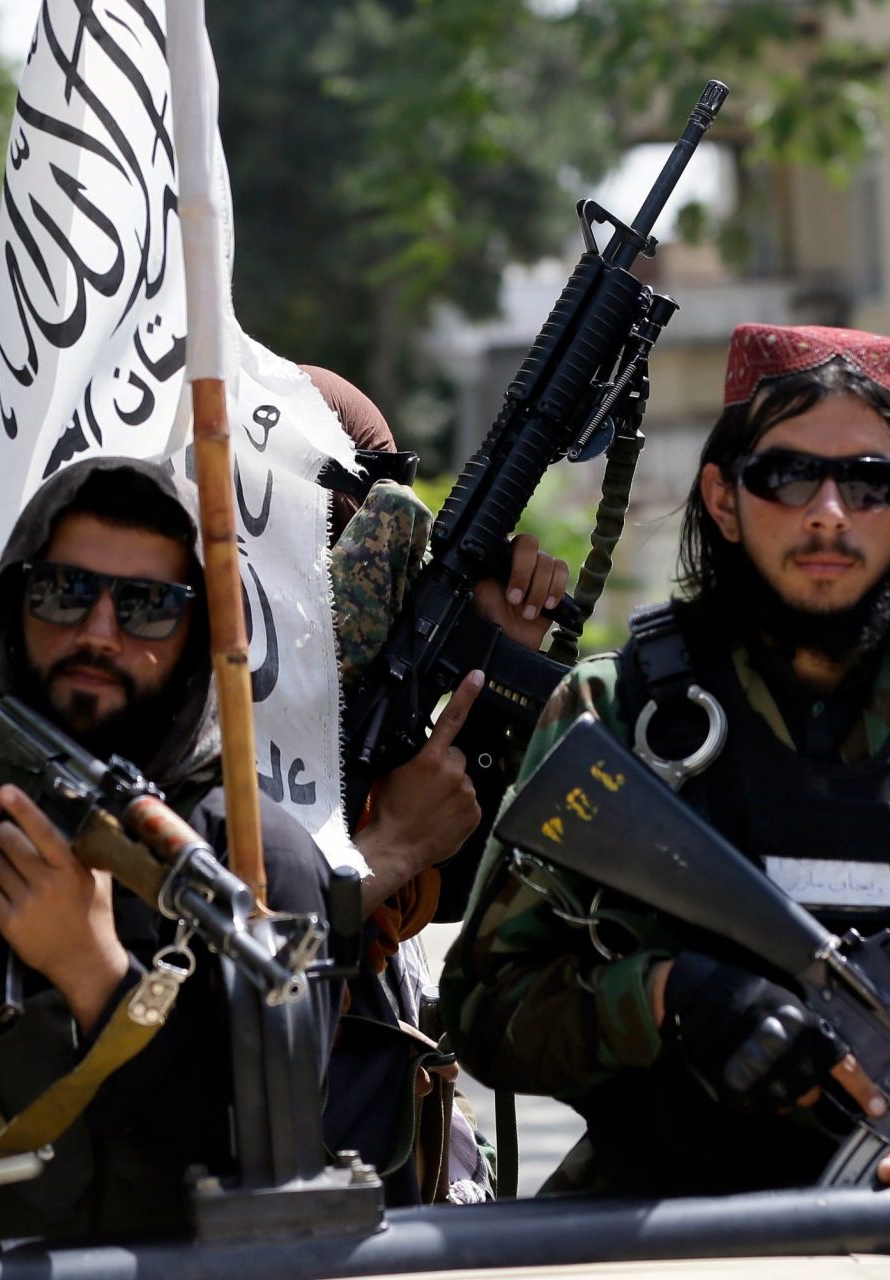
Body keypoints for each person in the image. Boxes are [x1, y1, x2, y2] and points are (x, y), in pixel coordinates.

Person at [442, 323, 890, 1259]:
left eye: (869, 482)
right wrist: (669, 996)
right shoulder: (620, 716)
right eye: (787, 476)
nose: (830, 512)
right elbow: (485, 1007)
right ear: (724, 498)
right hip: (669, 1234)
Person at [0, 455, 341, 1248]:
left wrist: (98, 975)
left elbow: (266, 1174)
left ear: (202, 640)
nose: (97, 633)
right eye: (64, 591)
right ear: (14, 606)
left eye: (149, 608)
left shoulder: (251, 860)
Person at [309, 363, 569, 1205]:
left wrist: (499, 686)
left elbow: (481, 885)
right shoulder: (180, 716)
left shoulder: (364, 714)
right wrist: (381, 856)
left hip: (392, 1147)